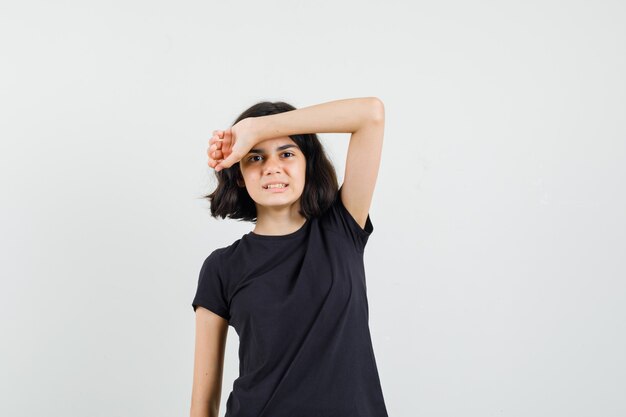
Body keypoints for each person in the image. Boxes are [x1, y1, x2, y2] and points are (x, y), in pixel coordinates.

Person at [190, 97, 387, 417]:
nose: (272, 167)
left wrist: (256, 129)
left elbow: (370, 115)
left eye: (287, 153)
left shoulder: (341, 228)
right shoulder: (222, 268)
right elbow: (202, 404)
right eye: (255, 157)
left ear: (307, 163)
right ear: (239, 173)